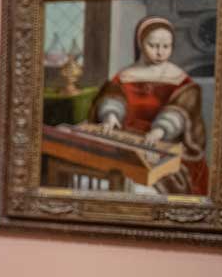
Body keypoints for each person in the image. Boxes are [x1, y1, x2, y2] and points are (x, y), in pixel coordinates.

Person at [88, 14, 209, 195]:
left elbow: (183, 109)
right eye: (153, 46)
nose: (160, 52)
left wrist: (161, 130)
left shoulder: (182, 81)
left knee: (151, 184)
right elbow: (113, 96)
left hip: (166, 143)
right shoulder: (124, 76)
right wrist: (111, 115)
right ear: (140, 44)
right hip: (125, 139)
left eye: (166, 46)